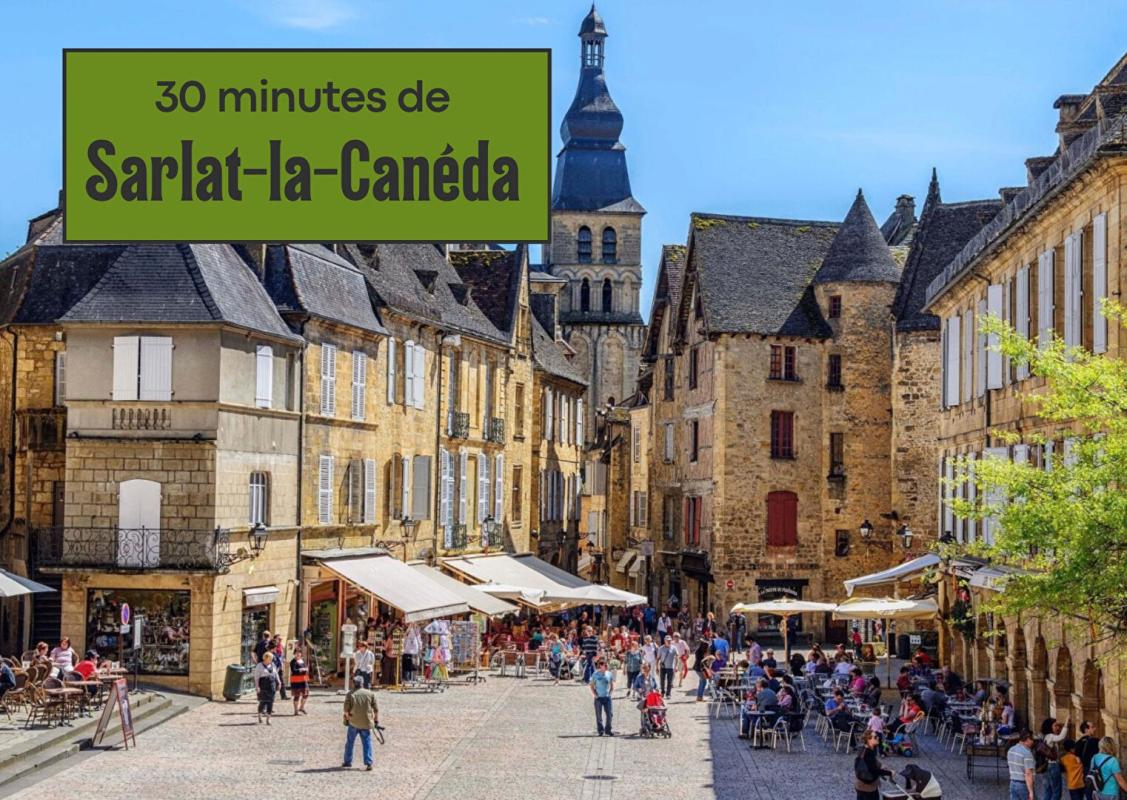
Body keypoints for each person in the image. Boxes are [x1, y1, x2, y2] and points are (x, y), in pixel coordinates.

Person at [342, 673, 379, 771]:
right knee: (367, 743)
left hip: (353, 722)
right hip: (366, 723)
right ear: (362, 683)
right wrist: (376, 721)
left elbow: (346, 711)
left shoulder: (350, 694)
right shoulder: (370, 694)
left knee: (350, 742)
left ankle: (347, 761)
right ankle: (369, 762)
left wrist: (348, 719)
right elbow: (376, 710)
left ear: (354, 683)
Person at [855, 729, 893, 799]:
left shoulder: (864, 749)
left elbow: (872, 762)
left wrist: (880, 765)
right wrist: (889, 773)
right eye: (875, 737)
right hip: (867, 787)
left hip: (860, 784)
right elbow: (873, 770)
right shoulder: (868, 753)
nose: (878, 738)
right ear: (869, 740)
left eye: (877, 736)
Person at [1040, 716, 1068, 800]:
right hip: (1053, 766)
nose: (1058, 727)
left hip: (1046, 766)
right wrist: (1066, 724)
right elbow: (1061, 737)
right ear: (1050, 727)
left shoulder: (1044, 737)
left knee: (1048, 791)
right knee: (1056, 792)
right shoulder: (1050, 736)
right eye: (1055, 726)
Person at [1007, 729, 1037, 800]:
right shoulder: (1027, 753)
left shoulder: (1011, 750)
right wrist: (1031, 791)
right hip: (1023, 785)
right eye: (1032, 739)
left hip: (1012, 783)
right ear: (1027, 739)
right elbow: (1028, 773)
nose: (1033, 742)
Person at [590, 657, 615, 737]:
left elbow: (612, 684)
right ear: (600, 666)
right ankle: (600, 730)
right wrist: (595, 694)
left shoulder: (609, 674)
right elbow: (592, 685)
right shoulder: (595, 674)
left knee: (610, 714)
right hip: (599, 698)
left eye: (605, 665)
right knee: (598, 715)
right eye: (603, 665)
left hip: (607, 697)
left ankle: (608, 729)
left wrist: (610, 692)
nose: (605, 666)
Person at [253, 651, 280, 724]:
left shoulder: (273, 665)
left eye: (271, 659)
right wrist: (257, 687)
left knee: (271, 702)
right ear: (265, 658)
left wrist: (279, 682)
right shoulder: (259, 666)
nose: (271, 660)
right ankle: (259, 715)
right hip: (263, 685)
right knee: (263, 702)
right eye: (270, 658)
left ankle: (268, 719)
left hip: (272, 685)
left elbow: (276, 674)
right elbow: (256, 678)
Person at [289, 646, 310, 715]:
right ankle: (295, 710)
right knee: (297, 696)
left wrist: (306, 670)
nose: (298, 654)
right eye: (296, 653)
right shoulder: (293, 662)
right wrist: (301, 670)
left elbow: (305, 668)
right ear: (294, 653)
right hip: (296, 681)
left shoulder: (302, 661)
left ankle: (301, 707)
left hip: (303, 680)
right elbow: (294, 670)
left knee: (306, 694)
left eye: (299, 653)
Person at [693, 637, 712, 702]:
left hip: (699, 668)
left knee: (702, 681)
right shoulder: (699, 652)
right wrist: (708, 657)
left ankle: (699, 696)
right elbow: (701, 662)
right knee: (703, 681)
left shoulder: (699, 651)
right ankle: (699, 697)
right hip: (699, 668)